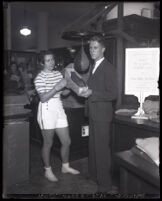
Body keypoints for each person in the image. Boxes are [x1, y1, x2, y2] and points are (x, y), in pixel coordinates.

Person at [79, 35, 118, 193]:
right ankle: (95, 176)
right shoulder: (94, 66)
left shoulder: (108, 67)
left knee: (102, 151)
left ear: (103, 49)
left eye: (95, 48)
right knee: (93, 147)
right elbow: (94, 88)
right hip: (94, 113)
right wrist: (85, 91)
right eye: (90, 48)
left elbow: (113, 94)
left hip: (102, 115)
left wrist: (92, 93)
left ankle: (105, 185)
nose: (92, 51)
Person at [34, 50, 80, 182]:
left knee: (67, 141)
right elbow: (43, 98)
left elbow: (63, 94)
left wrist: (70, 86)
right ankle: (47, 170)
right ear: (42, 63)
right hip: (47, 109)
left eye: (52, 60)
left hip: (59, 107)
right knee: (48, 142)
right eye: (48, 60)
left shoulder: (58, 74)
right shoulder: (39, 78)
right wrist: (56, 87)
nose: (51, 63)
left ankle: (65, 167)